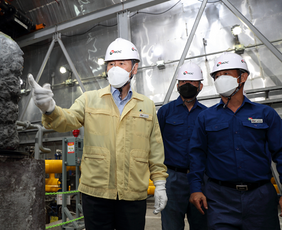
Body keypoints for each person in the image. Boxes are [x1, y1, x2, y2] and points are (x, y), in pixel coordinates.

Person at [28, 38, 168, 230]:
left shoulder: (147, 105)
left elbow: (155, 148)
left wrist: (160, 184)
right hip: (96, 193)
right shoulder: (90, 99)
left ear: (134, 69)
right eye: (111, 64)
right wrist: (49, 108)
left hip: (133, 194)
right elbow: (67, 119)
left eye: (121, 63)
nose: (115, 68)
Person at [188, 52, 282, 230]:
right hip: (219, 199)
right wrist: (195, 188)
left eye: (226, 74)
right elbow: (197, 155)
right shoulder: (205, 117)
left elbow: (281, 153)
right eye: (217, 76)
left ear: (243, 77)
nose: (220, 79)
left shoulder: (266, 114)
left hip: (260, 198)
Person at [157, 62, 207, 230]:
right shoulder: (165, 112)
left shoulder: (207, 114)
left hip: (201, 178)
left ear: (200, 86)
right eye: (183, 81)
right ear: (177, 85)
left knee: (202, 224)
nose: (187, 85)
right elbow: (155, 144)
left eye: (192, 82)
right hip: (172, 178)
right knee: (171, 225)